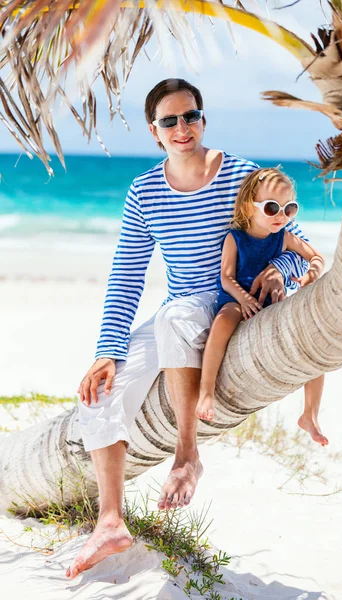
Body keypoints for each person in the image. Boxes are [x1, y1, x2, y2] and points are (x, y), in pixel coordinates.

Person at [66, 78, 309, 580]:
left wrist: (277, 274)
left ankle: (187, 454)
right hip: (181, 307)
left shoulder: (242, 173)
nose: (183, 128)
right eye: (170, 121)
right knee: (97, 395)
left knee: (176, 318)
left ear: (203, 119)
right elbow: (128, 272)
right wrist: (107, 349)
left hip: (231, 302)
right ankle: (110, 521)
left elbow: (294, 239)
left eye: (191, 116)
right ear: (154, 132)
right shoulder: (145, 190)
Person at [196, 167, 328, 447]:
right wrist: (243, 298)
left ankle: (310, 414)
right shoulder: (235, 238)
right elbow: (226, 277)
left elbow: (316, 256)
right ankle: (206, 392)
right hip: (237, 300)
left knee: (313, 340)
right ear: (249, 206)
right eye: (271, 208)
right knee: (221, 323)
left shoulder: (283, 237)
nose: (281, 216)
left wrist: (311, 274)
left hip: (272, 305)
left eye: (289, 209)